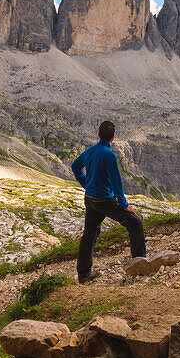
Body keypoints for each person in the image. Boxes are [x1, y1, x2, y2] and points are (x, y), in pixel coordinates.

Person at [71, 120, 146, 283]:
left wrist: (86, 183)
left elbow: (75, 166)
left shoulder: (90, 151)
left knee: (89, 235)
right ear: (113, 137)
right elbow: (116, 182)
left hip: (90, 199)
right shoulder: (109, 155)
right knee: (135, 224)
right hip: (105, 200)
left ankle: (83, 274)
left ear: (99, 134)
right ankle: (140, 266)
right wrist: (124, 204)